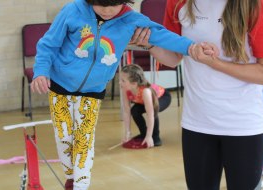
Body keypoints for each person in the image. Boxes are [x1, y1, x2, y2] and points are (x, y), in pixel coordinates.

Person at [30, 0, 213, 189]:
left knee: (84, 139)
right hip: (60, 85)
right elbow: (48, 44)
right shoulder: (72, 11)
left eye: (114, 5)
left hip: (93, 90)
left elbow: (163, 36)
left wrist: (192, 48)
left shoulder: (131, 20)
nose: (108, 11)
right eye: (101, 5)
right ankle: (71, 176)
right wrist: (41, 71)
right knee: (65, 138)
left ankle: (80, 185)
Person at [130, 0, 263, 189]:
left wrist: (215, 63)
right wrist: (150, 45)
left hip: (243, 124)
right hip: (197, 123)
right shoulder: (178, 3)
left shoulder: (257, 5)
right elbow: (172, 58)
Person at [120, 64, 171, 148]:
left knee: (153, 111)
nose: (120, 82)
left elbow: (150, 114)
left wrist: (149, 136)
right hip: (143, 101)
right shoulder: (125, 90)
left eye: (123, 81)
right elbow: (126, 111)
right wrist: (127, 133)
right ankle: (143, 134)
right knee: (134, 111)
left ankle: (155, 137)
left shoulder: (145, 91)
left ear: (133, 83)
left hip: (163, 97)